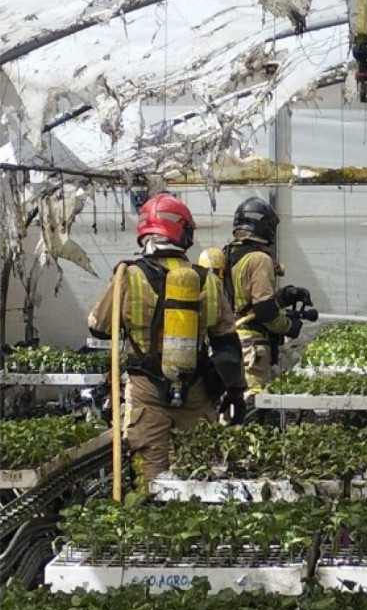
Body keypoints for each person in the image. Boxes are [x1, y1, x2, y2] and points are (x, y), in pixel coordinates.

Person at [87, 192, 243, 488]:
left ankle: (148, 526)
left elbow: (99, 327)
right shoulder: (207, 279)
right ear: (184, 233)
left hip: (146, 391)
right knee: (202, 475)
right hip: (195, 389)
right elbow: (226, 340)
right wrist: (235, 392)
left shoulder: (127, 275)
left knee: (150, 477)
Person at [220, 197, 313, 398]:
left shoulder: (228, 255)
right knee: (252, 404)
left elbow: (242, 299)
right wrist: (289, 325)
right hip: (252, 347)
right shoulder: (259, 259)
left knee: (231, 403)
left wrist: (284, 296)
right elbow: (265, 312)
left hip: (229, 342)